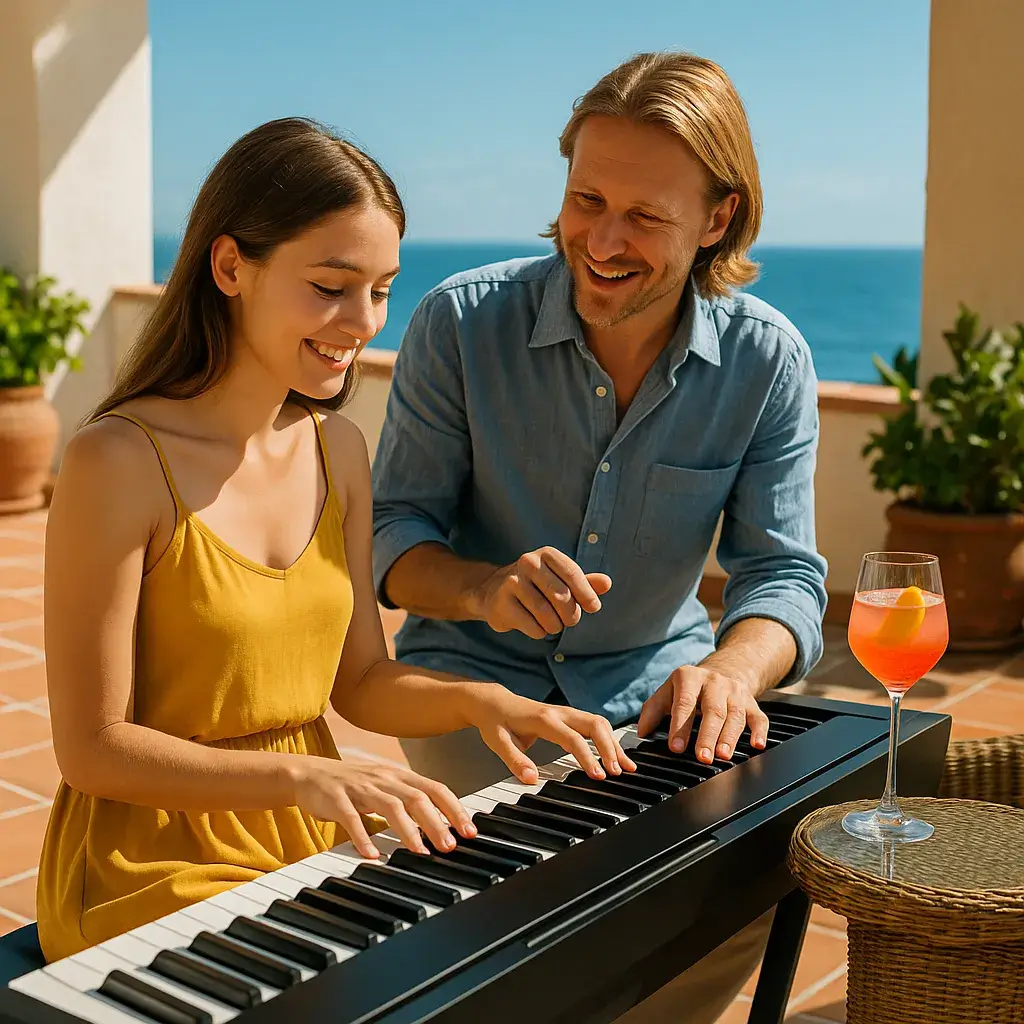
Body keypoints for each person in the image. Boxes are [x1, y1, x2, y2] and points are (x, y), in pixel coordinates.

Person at [35, 117, 632, 965]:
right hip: (151, 859)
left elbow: (359, 680)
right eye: (331, 286)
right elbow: (91, 749)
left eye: (382, 290)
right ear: (231, 265)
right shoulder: (117, 462)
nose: (363, 322)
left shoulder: (336, 448)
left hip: (304, 840)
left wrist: (483, 701)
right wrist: (307, 777)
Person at [371, 53, 828, 1022]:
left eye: (645, 216)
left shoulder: (767, 360)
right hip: (471, 690)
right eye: (586, 199)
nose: (602, 241)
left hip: (650, 699)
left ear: (717, 217)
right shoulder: (457, 324)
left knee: (736, 890)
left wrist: (733, 673)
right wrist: (482, 588)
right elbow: (393, 531)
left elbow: (782, 574)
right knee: (532, 900)